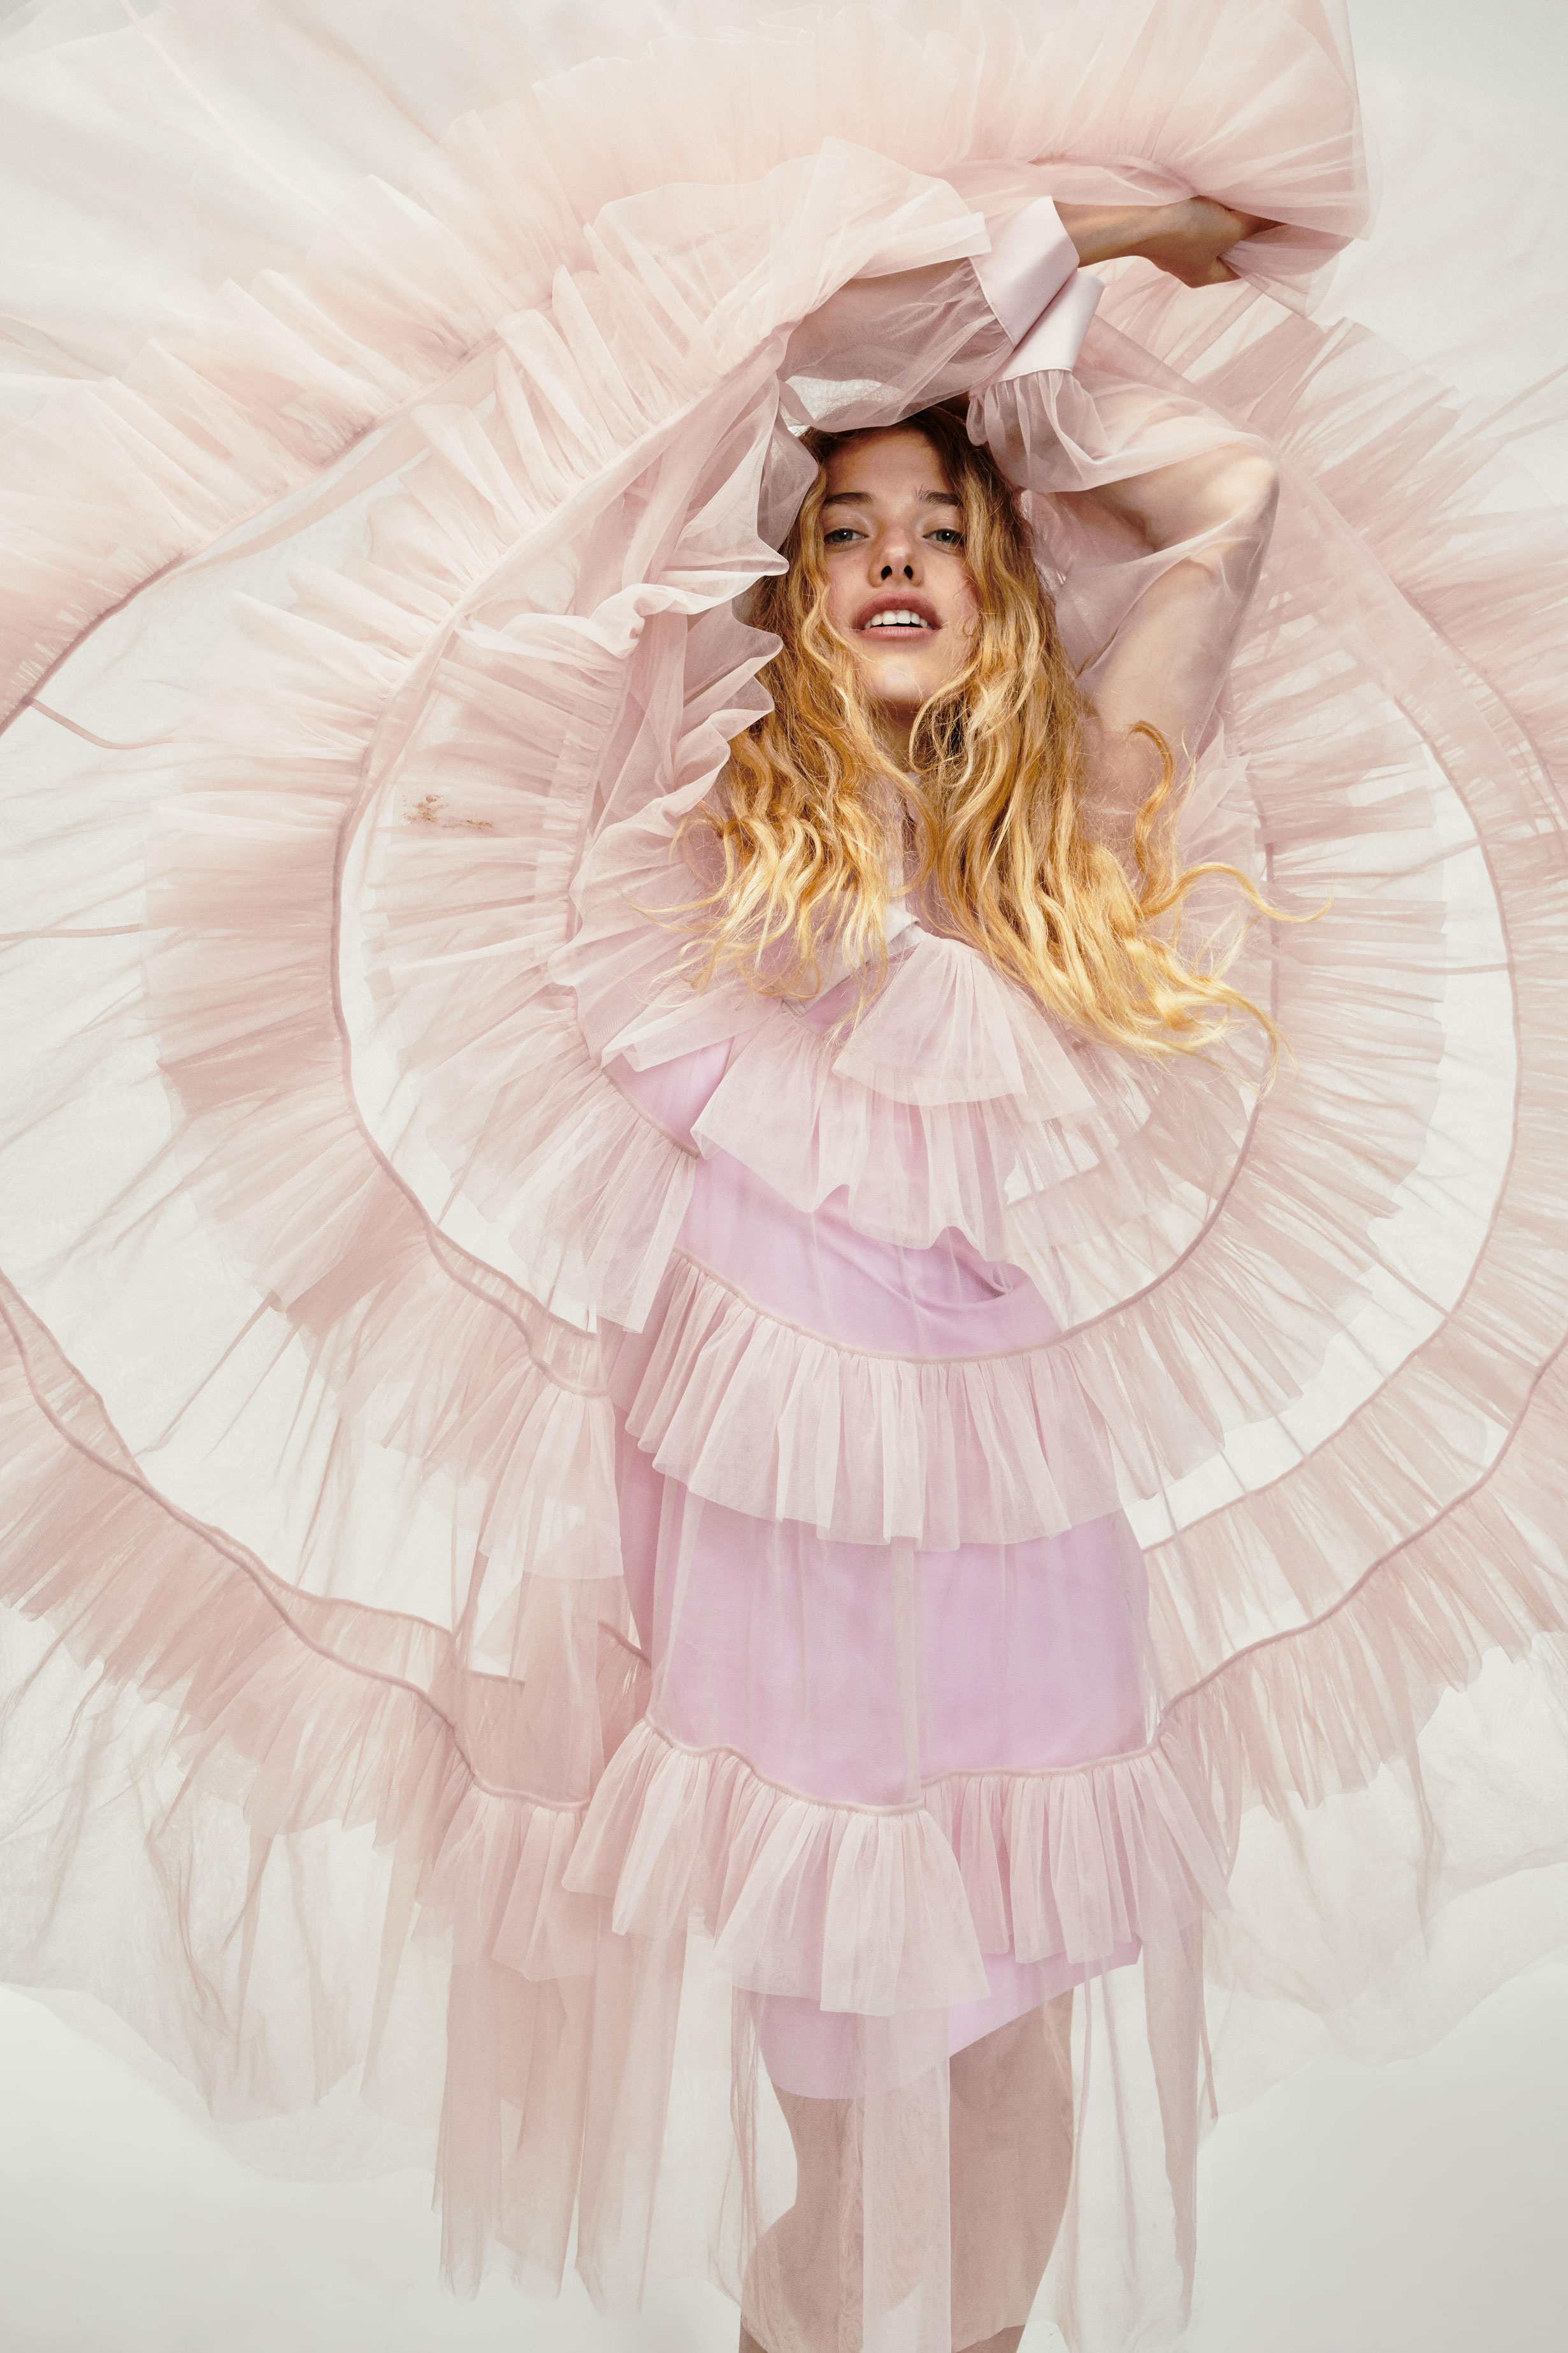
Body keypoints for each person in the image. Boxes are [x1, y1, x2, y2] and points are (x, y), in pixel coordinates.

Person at [1, 8, 1565, 2353]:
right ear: (784, 583)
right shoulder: (705, 791)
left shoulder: (1068, 828)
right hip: (769, 1496)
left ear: (1008, 584)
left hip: (1015, 1490)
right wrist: (1076, 242)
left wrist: (1074, 356)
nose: (899, 557)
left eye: (943, 531)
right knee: (842, 2060)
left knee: (1022, 2036)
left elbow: (1227, 510)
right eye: (850, 534)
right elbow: (745, 341)